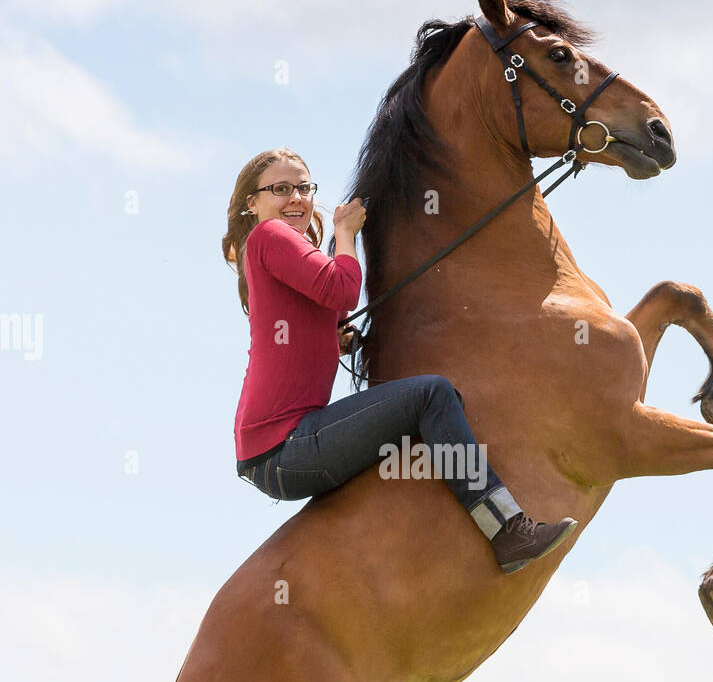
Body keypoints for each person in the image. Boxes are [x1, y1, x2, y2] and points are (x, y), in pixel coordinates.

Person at [223, 147, 578, 574]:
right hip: (284, 446)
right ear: (253, 203)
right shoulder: (269, 236)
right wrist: (345, 232)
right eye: (281, 189)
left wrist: (336, 340)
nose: (296, 198)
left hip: (279, 449)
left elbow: (318, 319)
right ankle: (506, 530)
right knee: (431, 395)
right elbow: (341, 290)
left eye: (303, 187)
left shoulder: (288, 250)